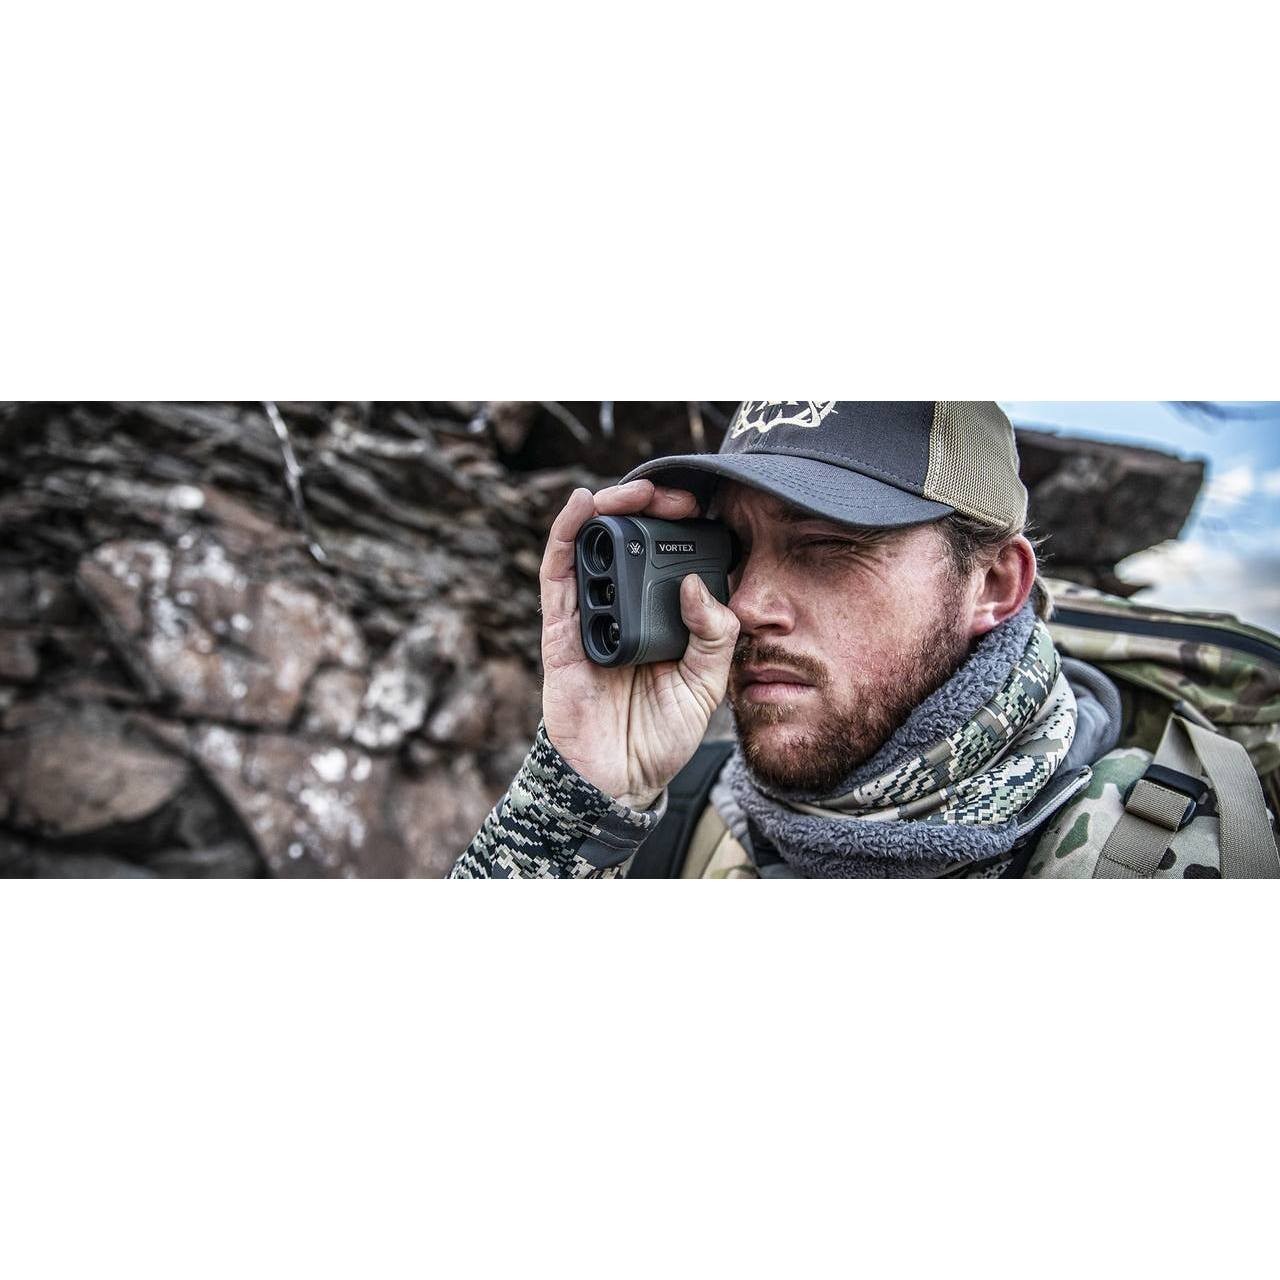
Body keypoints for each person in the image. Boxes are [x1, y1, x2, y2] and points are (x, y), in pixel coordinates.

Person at [448, 402, 1179, 878]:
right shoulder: (673, 822)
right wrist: (576, 799)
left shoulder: (1176, 863)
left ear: (992, 584)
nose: (746, 606)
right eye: (733, 549)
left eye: (828, 545)